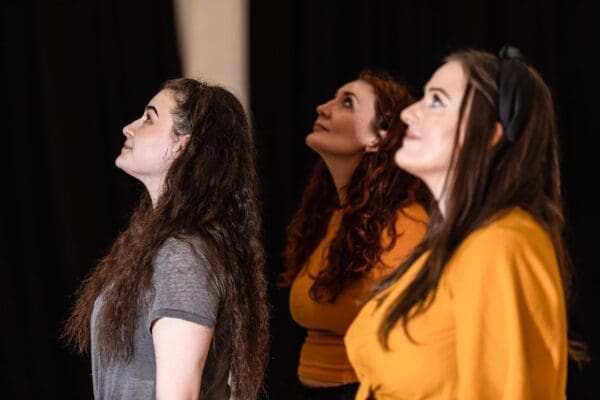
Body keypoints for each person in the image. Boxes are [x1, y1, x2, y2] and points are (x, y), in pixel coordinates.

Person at [345, 47, 581, 399]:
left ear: (490, 134)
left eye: (437, 101)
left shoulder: (503, 244)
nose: (410, 113)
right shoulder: (439, 251)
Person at [62, 78, 269, 399]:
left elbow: (179, 393)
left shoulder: (184, 255)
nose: (129, 128)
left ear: (181, 144)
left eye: (149, 118)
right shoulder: (162, 245)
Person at [280, 71, 429, 400]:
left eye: (347, 103)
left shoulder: (406, 227)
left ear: (379, 136)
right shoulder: (332, 218)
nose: (323, 107)